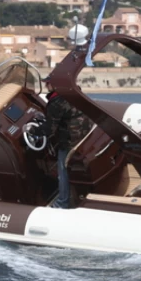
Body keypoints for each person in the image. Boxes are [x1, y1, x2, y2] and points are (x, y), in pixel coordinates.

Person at [42, 77, 93, 209]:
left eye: (48, 83)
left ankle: (62, 203)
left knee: (62, 173)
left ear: (54, 85)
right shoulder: (75, 94)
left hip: (70, 141)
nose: (46, 85)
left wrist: (33, 130)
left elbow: (49, 129)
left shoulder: (56, 102)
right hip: (84, 137)